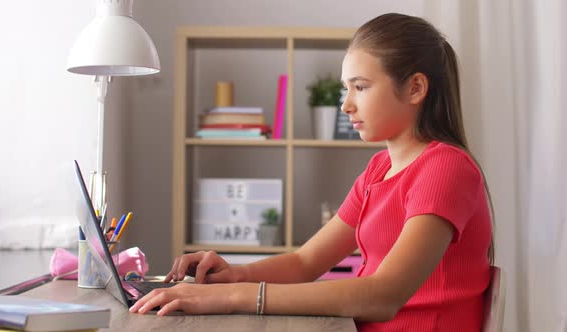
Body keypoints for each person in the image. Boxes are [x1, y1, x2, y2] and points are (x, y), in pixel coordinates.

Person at [130, 12, 494, 332]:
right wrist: (232, 275)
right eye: (345, 89)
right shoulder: (379, 169)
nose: (347, 105)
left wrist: (231, 296)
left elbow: (383, 296)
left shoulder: (445, 168)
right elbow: (305, 262)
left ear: (415, 88)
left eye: (360, 87)